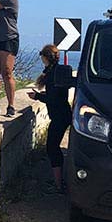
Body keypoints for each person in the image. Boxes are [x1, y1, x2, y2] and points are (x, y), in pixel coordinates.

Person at [28, 45, 72, 190]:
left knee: (52, 148)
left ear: (46, 58)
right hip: (64, 114)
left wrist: (38, 96)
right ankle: (59, 181)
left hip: (59, 116)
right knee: (54, 147)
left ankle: (59, 184)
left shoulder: (53, 75)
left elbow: (53, 98)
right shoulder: (58, 72)